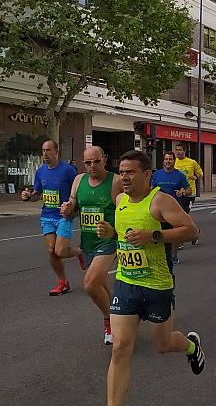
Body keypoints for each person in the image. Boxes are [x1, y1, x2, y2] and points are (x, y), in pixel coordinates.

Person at [96, 150, 204, 406]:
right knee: (120, 348)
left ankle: (190, 346)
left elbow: (192, 231)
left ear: (147, 174)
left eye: (130, 172)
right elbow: (124, 235)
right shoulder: (121, 198)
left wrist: (154, 236)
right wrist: (110, 232)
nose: (124, 177)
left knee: (163, 344)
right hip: (126, 282)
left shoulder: (160, 201)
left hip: (157, 284)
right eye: (121, 172)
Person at [60, 146, 122, 344]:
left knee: (90, 283)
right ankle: (122, 317)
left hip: (109, 241)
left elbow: (128, 212)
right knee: (103, 287)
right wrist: (67, 209)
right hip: (88, 243)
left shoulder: (116, 181)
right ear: (83, 163)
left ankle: (108, 321)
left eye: (96, 161)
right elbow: (72, 210)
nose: (92, 166)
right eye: (88, 163)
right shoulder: (79, 181)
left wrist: (113, 230)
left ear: (104, 159)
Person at [21, 140, 81, 295]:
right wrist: (28, 196)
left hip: (64, 216)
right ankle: (63, 283)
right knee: (51, 250)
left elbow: (77, 192)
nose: (45, 154)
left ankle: (81, 252)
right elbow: (37, 194)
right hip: (47, 216)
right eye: (43, 150)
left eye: (48, 150)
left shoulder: (68, 170)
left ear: (56, 151)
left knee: (60, 251)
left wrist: (72, 209)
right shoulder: (41, 171)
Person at [151, 151, 192, 264]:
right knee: (158, 233)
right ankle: (160, 256)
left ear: (174, 161)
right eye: (166, 159)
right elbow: (150, 188)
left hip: (174, 210)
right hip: (158, 211)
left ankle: (173, 255)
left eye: (170, 159)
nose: (168, 161)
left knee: (174, 234)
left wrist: (182, 192)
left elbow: (189, 190)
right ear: (163, 161)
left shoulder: (180, 175)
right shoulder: (156, 175)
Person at [174, 143, 203, 244]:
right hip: (177, 193)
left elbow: (200, 172)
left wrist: (195, 177)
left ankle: (189, 234)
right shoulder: (174, 162)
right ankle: (191, 233)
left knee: (183, 215)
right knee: (179, 217)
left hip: (189, 193)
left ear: (185, 151)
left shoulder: (192, 162)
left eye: (180, 150)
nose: (178, 152)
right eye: (177, 150)